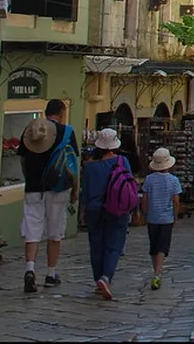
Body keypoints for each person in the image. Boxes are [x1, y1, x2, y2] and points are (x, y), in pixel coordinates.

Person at [17, 98, 79, 293]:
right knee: (55, 231)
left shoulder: (31, 130)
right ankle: (51, 273)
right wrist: (75, 190)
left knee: (32, 228)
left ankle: (29, 269)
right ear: (61, 113)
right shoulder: (66, 132)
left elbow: (22, 159)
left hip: (34, 187)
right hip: (58, 188)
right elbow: (72, 162)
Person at [80, 128, 133, 300]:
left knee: (96, 245)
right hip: (116, 207)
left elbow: (85, 192)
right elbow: (129, 183)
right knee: (114, 244)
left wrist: (82, 211)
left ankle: (98, 279)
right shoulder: (122, 161)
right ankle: (106, 277)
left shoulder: (89, 167)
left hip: (94, 209)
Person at [141, 147, 182, 290]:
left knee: (154, 246)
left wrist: (145, 213)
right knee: (162, 247)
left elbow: (145, 199)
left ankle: (156, 271)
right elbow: (176, 200)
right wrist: (175, 216)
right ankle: (157, 274)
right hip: (166, 218)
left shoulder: (149, 180)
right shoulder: (173, 181)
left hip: (152, 218)